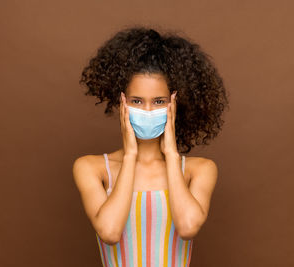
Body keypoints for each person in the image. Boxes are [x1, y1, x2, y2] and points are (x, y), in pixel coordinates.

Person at [73, 25, 229, 267]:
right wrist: (130, 155)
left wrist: (170, 154)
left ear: (175, 104)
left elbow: (188, 227)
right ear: (121, 102)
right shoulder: (92, 168)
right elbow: (110, 232)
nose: (147, 110)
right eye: (137, 101)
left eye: (159, 101)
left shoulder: (199, 170)